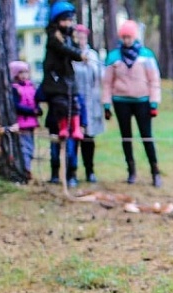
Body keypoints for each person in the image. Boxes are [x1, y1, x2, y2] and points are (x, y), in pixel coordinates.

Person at [102, 20, 162, 187]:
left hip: (142, 101)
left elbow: (154, 80)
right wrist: (106, 104)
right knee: (126, 137)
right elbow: (107, 82)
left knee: (147, 136)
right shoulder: (113, 57)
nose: (126, 40)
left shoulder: (146, 55)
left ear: (134, 37)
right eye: (124, 37)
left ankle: (155, 171)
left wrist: (154, 102)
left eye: (129, 36)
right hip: (121, 102)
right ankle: (131, 171)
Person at [41, 1, 86, 185]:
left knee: (71, 138)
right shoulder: (54, 37)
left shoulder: (69, 37)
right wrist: (78, 54)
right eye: (65, 20)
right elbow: (70, 52)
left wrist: (76, 42)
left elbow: (75, 50)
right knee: (56, 134)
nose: (68, 24)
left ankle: (71, 173)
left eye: (70, 20)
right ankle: (55, 172)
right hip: (56, 91)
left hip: (69, 89)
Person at [71, 24, 105, 183]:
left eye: (83, 37)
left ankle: (90, 170)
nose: (81, 40)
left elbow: (99, 76)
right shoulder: (69, 53)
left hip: (91, 102)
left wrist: (89, 64)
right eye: (78, 37)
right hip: (75, 101)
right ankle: (72, 172)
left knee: (88, 138)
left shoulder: (92, 55)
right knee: (74, 137)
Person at [9, 60, 42, 182]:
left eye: (26, 72)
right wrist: (31, 111)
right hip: (22, 123)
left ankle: (27, 168)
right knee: (24, 148)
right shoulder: (15, 89)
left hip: (31, 123)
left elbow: (35, 101)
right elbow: (16, 106)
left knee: (30, 147)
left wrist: (37, 110)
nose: (24, 75)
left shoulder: (31, 87)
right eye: (21, 72)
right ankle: (25, 170)